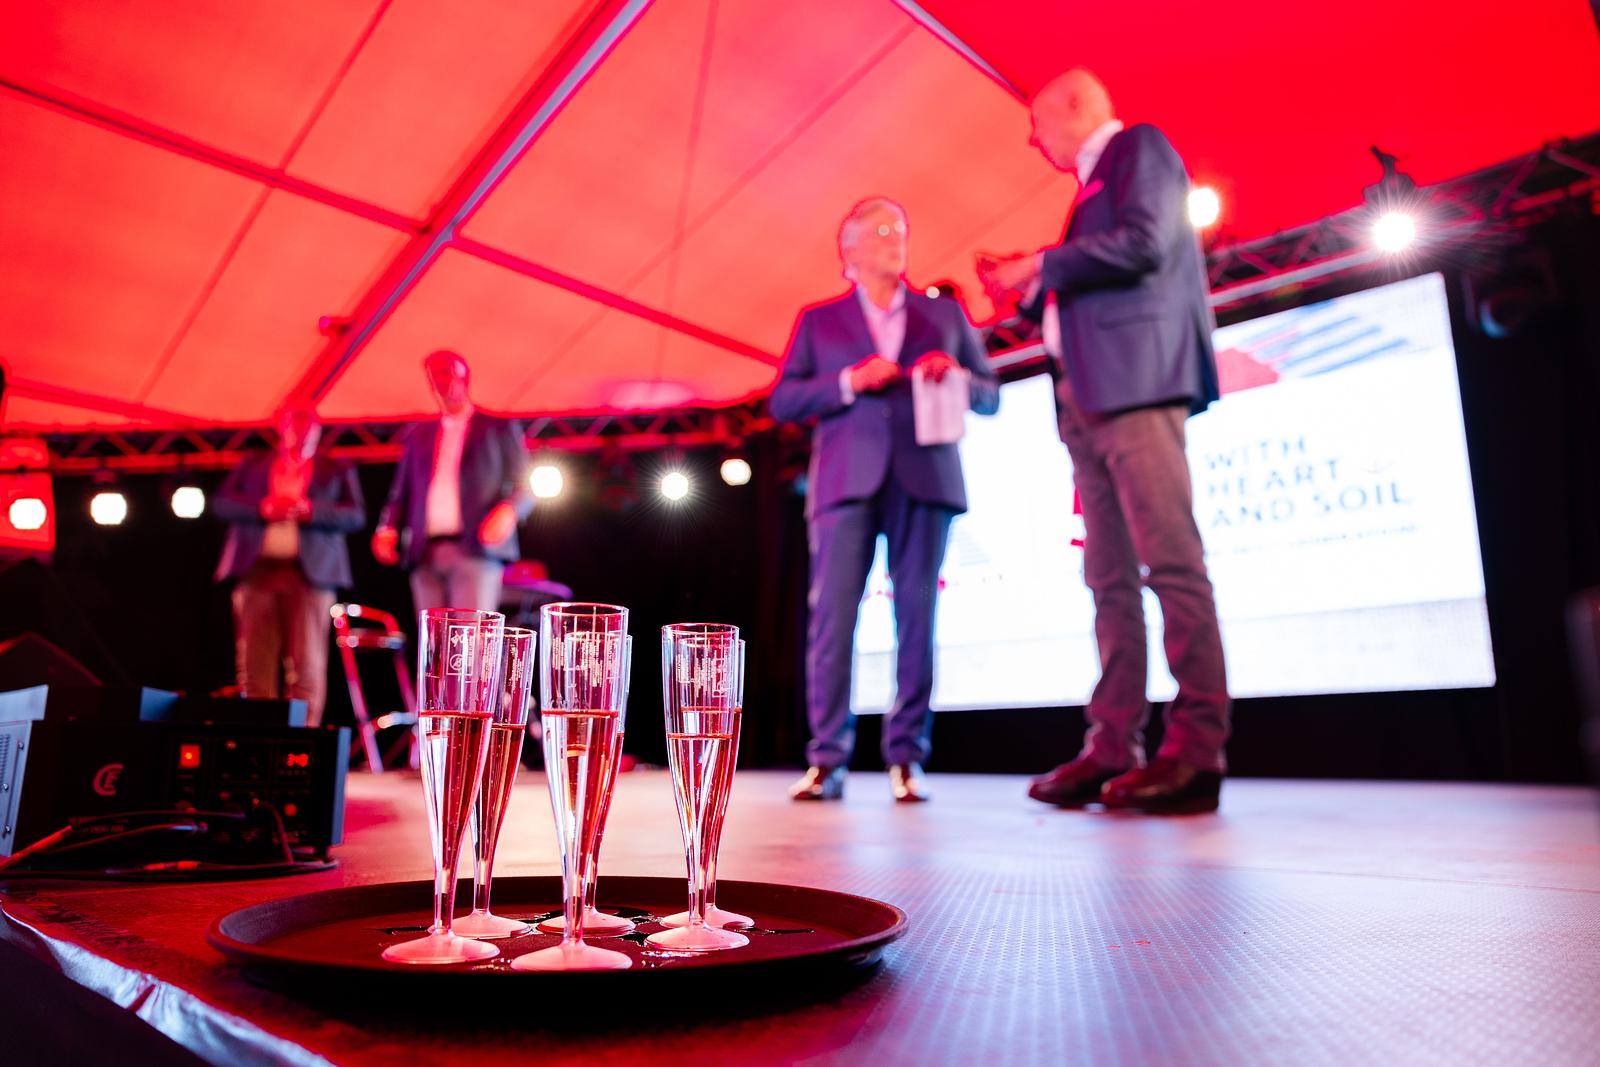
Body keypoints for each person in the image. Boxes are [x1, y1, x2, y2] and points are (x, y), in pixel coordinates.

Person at [978, 69, 1230, 814]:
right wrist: (1032, 290)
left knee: (1170, 562)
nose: (1033, 139)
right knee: (1108, 577)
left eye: (1037, 122)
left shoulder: (1137, 148)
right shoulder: (1088, 191)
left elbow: (1148, 243)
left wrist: (1041, 264)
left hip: (1138, 385)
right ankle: (1113, 743)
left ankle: (1197, 750)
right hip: (1089, 398)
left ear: (1076, 106)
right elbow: (1093, 285)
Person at [772, 197, 999, 803]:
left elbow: (990, 395)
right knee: (832, 621)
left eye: (900, 228)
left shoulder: (943, 314)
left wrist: (955, 374)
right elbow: (783, 401)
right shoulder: (819, 321)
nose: (894, 237)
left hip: (924, 479)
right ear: (848, 248)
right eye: (879, 230)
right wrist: (849, 381)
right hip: (845, 483)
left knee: (917, 617)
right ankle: (827, 759)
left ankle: (906, 757)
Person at [213, 404, 365, 727]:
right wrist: (263, 507)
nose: (302, 432)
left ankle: (302, 741)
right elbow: (221, 503)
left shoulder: (334, 468)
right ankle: (258, 738)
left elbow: (355, 515)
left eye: (308, 425)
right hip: (258, 572)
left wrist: (311, 510)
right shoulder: (254, 464)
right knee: (254, 663)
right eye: (295, 424)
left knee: (307, 663)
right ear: (282, 428)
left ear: (318, 430)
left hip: (310, 575)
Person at [372, 350, 531, 613]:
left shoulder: (497, 427)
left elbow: (526, 485)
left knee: (470, 631)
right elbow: (399, 493)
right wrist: (386, 527)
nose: (441, 381)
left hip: (475, 549)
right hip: (425, 551)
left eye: (447, 373)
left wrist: (509, 511)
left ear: (464, 378)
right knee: (431, 635)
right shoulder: (418, 435)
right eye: (434, 375)